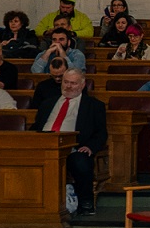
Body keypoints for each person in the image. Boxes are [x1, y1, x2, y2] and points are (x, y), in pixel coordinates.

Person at [35, 70, 109, 216]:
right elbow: (36, 127)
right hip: (44, 146)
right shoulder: (48, 103)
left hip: (73, 149)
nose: (68, 86)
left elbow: (101, 133)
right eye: (66, 82)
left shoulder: (93, 105)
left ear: (82, 85)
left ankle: (85, 202)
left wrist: (90, 147)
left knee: (81, 161)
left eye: (73, 83)